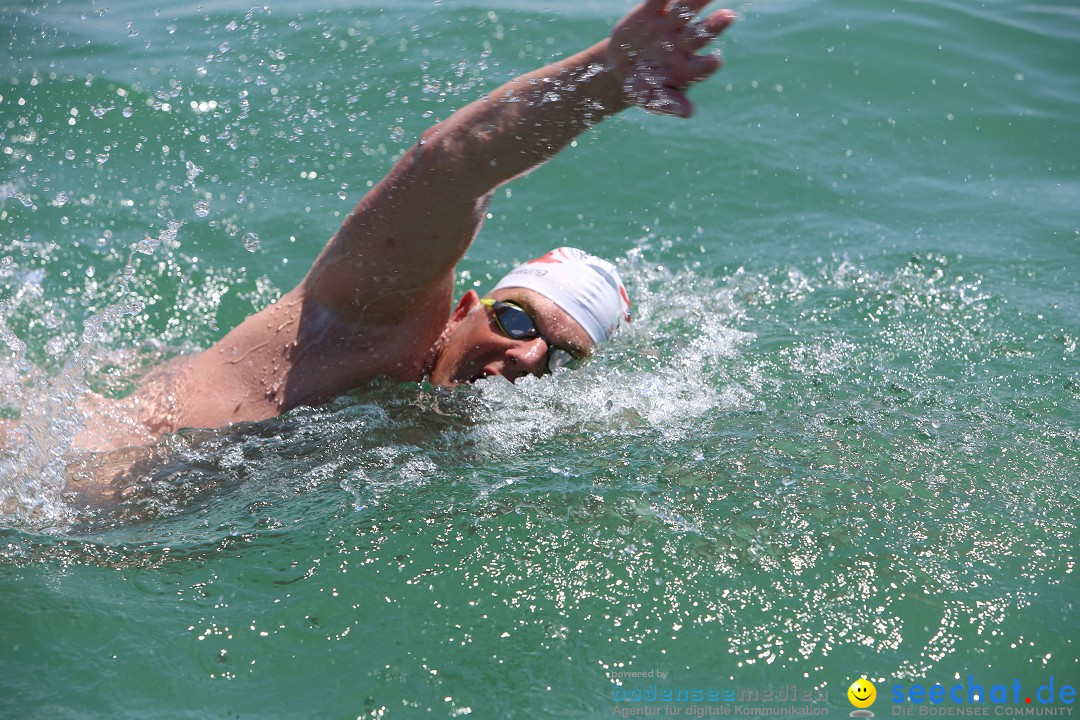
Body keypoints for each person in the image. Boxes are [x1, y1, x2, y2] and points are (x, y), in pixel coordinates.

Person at [80, 0, 736, 451]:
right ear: (464, 309)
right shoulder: (376, 324)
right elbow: (452, 165)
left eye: (561, 360)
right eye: (516, 320)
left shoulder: (451, 446)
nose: (528, 357)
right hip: (55, 486)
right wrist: (604, 82)